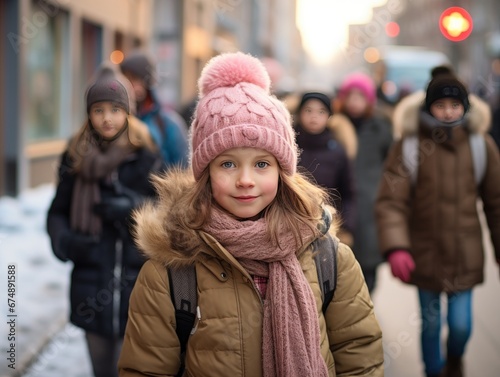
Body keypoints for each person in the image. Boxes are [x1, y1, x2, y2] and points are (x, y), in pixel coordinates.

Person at [118, 52, 384, 377]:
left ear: (282, 172)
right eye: (227, 164)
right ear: (205, 173)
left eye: (262, 164)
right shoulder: (173, 272)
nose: (245, 180)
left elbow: (359, 353)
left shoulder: (328, 259)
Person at [375, 73, 500, 377]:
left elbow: (497, 202)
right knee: (430, 324)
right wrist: (397, 247)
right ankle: (433, 371)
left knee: (460, 325)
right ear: (429, 107)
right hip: (424, 253)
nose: (447, 112)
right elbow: (391, 200)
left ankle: (454, 361)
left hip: (464, 254)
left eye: (455, 104)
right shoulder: (410, 146)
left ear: (465, 107)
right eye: (440, 104)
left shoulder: (480, 145)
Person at [46, 69, 163, 377]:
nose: (107, 118)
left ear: (127, 111)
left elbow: (166, 212)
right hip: (91, 282)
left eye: (115, 109)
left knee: (131, 370)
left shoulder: (146, 154)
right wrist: (67, 242)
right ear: (89, 113)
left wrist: (132, 206)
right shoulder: (75, 155)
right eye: (98, 110)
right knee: (101, 370)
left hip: (136, 285)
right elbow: (57, 212)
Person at [333, 72, 393, 292]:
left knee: (368, 267)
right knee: (340, 269)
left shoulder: (381, 128)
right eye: (351, 95)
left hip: (371, 205)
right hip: (341, 203)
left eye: (360, 96)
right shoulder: (335, 125)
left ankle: (364, 316)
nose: (355, 101)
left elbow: (394, 165)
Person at [294, 91, 356, 246]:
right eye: (308, 110)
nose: (314, 116)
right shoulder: (288, 146)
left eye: (321, 111)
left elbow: (348, 193)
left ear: (329, 117)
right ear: (299, 113)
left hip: (328, 227)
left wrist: (346, 227)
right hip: (291, 223)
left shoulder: (337, 151)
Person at [120, 49, 189, 168]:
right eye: (125, 79)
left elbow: (184, 171)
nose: (128, 85)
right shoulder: (117, 120)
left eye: (134, 79)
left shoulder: (168, 123)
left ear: (147, 82)